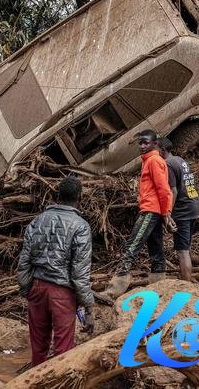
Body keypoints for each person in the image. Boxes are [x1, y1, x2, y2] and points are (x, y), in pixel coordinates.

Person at [17, 176, 95, 367]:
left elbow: (24, 261)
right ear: (79, 197)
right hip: (62, 293)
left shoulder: (37, 221)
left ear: (58, 196)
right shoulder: (81, 226)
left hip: (36, 288)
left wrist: (27, 290)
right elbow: (80, 272)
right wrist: (89, 307)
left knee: (38, 349)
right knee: (63, 351)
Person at [103, 130, 173, 299]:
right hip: (153, 209)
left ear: (155, 144)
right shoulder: (150, 160)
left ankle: (114, 290)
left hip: (151, 210)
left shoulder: (154, 161)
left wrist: (166, 213)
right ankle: (158, 284)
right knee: (156, 248)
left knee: (132, 246)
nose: (142, 146)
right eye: (140, 143)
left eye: (145, 143)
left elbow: (164, 190)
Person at [158, 138, 199, 282]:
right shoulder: (180, 160)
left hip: (183, 210)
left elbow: (173, 190)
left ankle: (186, 285)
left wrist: (168, 212)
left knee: (182, 251)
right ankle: (188, 278)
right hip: (193, 205)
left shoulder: (168, 164)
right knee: (186, 248)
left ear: (163, 150)